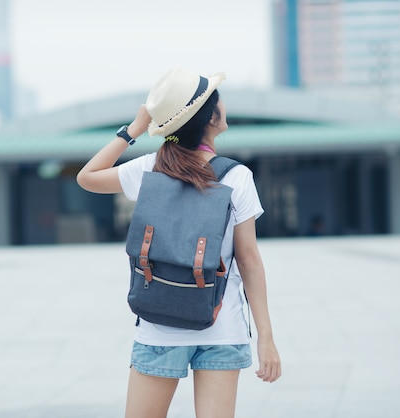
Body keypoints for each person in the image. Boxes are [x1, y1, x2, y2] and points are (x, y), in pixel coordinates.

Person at [77, 66, 281, 418]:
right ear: (212, 117)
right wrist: (266, 336)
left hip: (158, 326)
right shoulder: (237, 176)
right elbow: (249, 261)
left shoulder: (149, 168)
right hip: (222, 325)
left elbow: (87, 177)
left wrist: (133, 131)